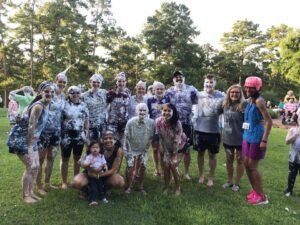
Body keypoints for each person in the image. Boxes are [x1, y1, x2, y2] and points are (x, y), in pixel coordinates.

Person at [7, 81, 55, 203]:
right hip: (21, 139)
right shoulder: (38, 106)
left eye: (52, 92)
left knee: (36, 166)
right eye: (47, 91)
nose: (49, 93)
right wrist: (29, 145)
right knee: (30, 166)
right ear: (41, 92)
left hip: (32, 139)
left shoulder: (47, 104)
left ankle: (31, 192)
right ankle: (25, 195)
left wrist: (34, 142)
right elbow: (31, 126)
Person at [36, 71, 67, 195]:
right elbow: (36, 105)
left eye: (64, 82)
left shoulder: (63, 96)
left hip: (56, 132)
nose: (62, 84)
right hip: (43, 131)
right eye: (60, 81)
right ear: (55, 81)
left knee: (51, 158)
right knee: (40, 159)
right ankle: (39, 186)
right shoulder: (49, 92)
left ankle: (47, 183)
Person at [243, 76, 272, 205]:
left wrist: (264, 140)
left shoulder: (259, 101)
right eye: (247, 86)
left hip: (256, 137)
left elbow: (269, 121)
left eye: (251, 87)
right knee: (246, 165)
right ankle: (255, 191)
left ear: (258, 88)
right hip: (247, 136)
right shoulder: (249, 100)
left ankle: (261, 197)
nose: (248, 89)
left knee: (253, 167)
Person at [192, 74, 224, 186]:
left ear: (215, 83)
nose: (208, 84)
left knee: (212, 155)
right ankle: (201, 175)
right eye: (207, 82)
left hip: (214, 130)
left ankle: (211, 177)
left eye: (211, 82)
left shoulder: (221, 96)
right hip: (199, 129)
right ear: (203, 83)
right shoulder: (198, 95)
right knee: (200, 153)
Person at [166, 70, 198, 180]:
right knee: (173, 147)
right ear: (173, 79)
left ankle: (186, 172)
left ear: (184, 77)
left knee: (186, 149)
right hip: (173, 123)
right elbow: (164, 106)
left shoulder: (192, 89)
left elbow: (199, 102)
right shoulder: (169, 91)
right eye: (176, 77)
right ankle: (173, 170)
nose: (178, 79)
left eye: (180, 77)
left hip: (187, 123)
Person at [60, 86, 89, 189]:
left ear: (80, 93)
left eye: (77, 92)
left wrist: (86, 133)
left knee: (77, 158)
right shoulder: (64, 104)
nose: (75, 94)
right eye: (72, 93)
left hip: (79, 136)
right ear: (69, 94)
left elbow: (86, 120)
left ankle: (75, 180)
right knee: (65, 158)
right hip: (66, 136)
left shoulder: (84, 105)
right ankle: (64, 182)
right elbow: (60, 120)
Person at [156, 103, 186, 196]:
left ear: (173, 112)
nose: (167, 112)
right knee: (165, 166)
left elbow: (177, 140)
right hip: (166, 146)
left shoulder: (177, 123)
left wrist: (174, 154)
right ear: (162, 111)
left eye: (169, 111)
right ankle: (166, 187)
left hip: (179, 146)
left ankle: (178, 188)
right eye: (165, 110)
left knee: (173, 166)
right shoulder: (158, 121)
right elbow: (160, 137)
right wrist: (163, 148)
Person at [124, 103, 154, 194]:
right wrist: (129, 152)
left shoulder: (151, 123)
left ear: (147, 112)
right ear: (136, 111)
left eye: (144, 110)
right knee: (130, 166)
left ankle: (141, 186)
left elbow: (150, 137)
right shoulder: (130, 122)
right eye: (140, 110)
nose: (142, 112)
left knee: (143, 165)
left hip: (143, 147)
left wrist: (146, 149)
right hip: (131, 147)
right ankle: (129, 186)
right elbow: (126, 137)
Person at [222, 84, 246, 192]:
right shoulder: (225, 104)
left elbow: (248, 121)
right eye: (232, 92)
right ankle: (230, 181)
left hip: (241, 138)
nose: (234, 94)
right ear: (229, 93)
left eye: (237, 92)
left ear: (240, 94)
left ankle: (237, 183)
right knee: (229, 160)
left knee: (240, 161)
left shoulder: (244, 105)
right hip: (228, 138)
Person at [147, 81, 171, 176]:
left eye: (161, 89)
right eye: (157, 89)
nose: (159, 90)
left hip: (165, 127)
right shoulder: (149, 100)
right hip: (154, 127)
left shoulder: (167, 99)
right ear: (154, 90)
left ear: (164, 90)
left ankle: (164, 168)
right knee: (155, 149)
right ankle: (156, 169)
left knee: (164, 149)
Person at [79, 141, 108, 205]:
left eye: (97, 147)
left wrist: (105, 167)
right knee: (93, 187)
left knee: (101, 186)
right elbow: (85, 164)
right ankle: (92, 200)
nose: (95, 149)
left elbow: (104, 163)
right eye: (93, 147)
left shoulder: (101, 156)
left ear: (100, 149)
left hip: (99, 174)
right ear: (90, 149)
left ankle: (102, 197)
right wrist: (89, 163)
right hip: (91, 175)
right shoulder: (89, 156)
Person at [106, 72, 131, 144]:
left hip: (124, 123)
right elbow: (105, 107)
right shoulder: (111, 93)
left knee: (123, 144)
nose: (121, 83)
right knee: (112, 144)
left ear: (125, 82)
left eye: (123, 81)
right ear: (116, 82)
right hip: (112, 123)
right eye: (119, 81)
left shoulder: (128, 92)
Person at [82, 74, 107, 141]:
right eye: (94, 82)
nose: (96, 84)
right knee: (91, 146)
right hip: (90, 126)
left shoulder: (104, 93)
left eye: (98, 82)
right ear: (90, 82)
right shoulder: (84, 95)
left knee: (102, 147)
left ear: (101, 83)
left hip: (102, 125)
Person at [283, 109, 300, 197]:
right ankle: (289, 190)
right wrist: (296, 134)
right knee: (292, 174)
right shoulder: (292, 130)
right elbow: (287, 141)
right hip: (294, 157)